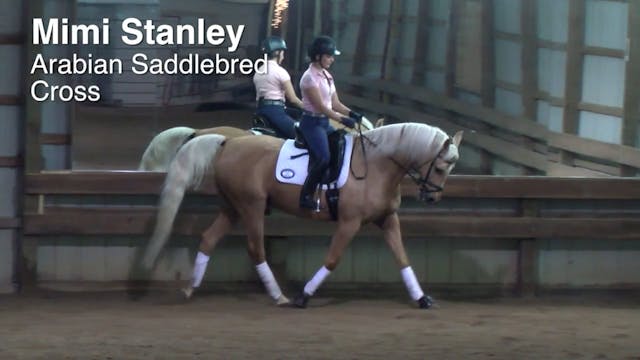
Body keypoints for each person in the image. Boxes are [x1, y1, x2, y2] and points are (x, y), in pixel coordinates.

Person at [298, 35, 363, 209]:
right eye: (329, 56)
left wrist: (352, 113)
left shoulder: (327, 76)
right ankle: (305, 195)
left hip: (324, 123)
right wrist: (342, 119)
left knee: (342, 145)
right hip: (311, 124)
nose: (332, 59)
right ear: (318, 56)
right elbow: (320, 107)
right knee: (323, 158)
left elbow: (335, 103)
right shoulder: (309, 78)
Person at [253, 36, 303, 139]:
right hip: (276, 112)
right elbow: (293, 99)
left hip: (260, 110)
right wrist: (310, 109)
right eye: (283, 53)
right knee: (303, 135)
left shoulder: (259, 71)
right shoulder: (280, 72)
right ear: (277, 53)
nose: (283, 57)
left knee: (298, 114)